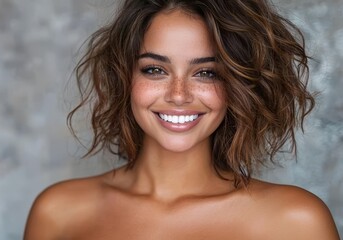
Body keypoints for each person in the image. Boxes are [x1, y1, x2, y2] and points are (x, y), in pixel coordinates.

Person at [24, 0, 340, 239]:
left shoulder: (296, 222)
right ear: (124, 78)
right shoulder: (58, 212)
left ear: (238, 85)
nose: (179, 94)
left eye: (206, 72)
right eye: (155, 69)